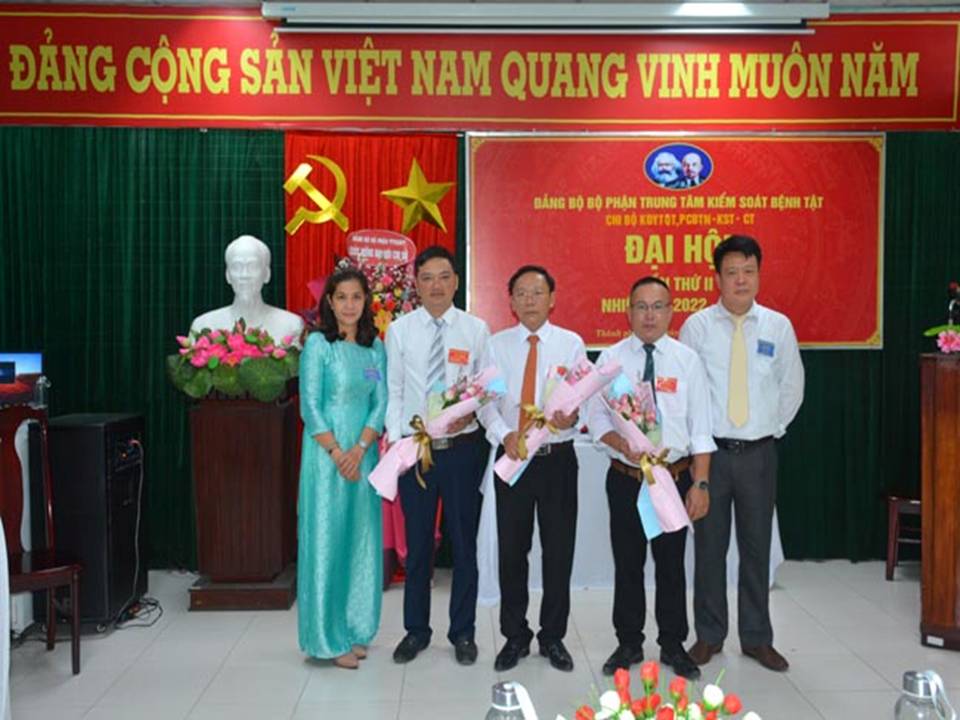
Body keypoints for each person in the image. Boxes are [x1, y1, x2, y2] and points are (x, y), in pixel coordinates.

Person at [679, 234, 804, 672]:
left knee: (756, 547)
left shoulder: (777, 326)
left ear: (759, 275)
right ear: (717, 278)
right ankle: (709, 635)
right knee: (709, 549)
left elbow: (792, 386)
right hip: (710, 455)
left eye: (748, 271)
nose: (740, 280)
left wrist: (768, 429)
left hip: (758, 456)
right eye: (731, 272)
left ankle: (756, 638)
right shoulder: (696, 327)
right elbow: (689, 393)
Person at [590, 276, 715, 680]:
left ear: (671, 311)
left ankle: (673, 644)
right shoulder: (610, 359)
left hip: (673, 479)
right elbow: (596, 420)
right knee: (627, 563)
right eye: (641, 306)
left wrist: (701, 484)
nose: (649, 315)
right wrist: (620, 442)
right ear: (628, 312)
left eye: (658, 306)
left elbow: (701, 429)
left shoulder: (687, 361)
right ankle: (628, 642)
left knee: (671, 565)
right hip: (626, 477)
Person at [385, 246, 491, 666]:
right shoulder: (399, 330)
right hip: (418, 450)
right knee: (418, 547)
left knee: (464, 545)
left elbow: (486, 390)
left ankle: (463, 632)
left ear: (456, 281)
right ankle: (416, 630)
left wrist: (474, 415)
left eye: (444, 276)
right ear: (416, 283)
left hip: (464, 450)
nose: (436, 285)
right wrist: (398, 442)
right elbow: (394, 391)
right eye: (427, 277)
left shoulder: (476, 330)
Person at [482, 265, 585, 673]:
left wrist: (571, 417)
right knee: (512, 551)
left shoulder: (571, 344)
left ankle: (553, 636)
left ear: (552, 299)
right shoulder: (496, 346)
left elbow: (580, 399)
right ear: (510, 301)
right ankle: (515, 635)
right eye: (521, 293)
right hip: (513, 457)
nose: (529, 300)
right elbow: (485, 403)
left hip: (557, 459)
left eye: (537, 293)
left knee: (559, 551)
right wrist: (504, 434)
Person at [297, 267, 387, 669]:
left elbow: (380, 402)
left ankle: (355, 629)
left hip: (363, 457)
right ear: (330, 303)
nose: (350, 305)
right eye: (342, 297)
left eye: (357, 297)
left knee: (360, 541)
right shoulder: (319, 345)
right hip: (326, 459)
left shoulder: (374, 348)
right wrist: (338, 453)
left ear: (366, 302)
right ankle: (327, 639)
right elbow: (310, 406)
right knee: (327, 542)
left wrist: (361, 448)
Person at [191, 234, 304, 343]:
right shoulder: (203, 325)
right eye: (236, 266)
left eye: (253, 266)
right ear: (228, 275)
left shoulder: (292, 326)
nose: (244, 275)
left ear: (267, 274)